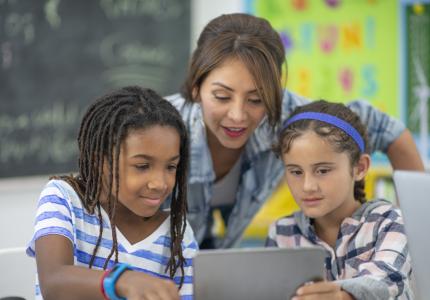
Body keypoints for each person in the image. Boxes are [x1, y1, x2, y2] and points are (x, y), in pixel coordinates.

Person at [166, 13, 424, 249]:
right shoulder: (159, 125)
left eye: (257, 100)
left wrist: (414, 237)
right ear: (196, 87)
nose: (237, 115)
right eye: (222, 96)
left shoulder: (293, 116)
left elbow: (387, 130)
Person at [26, 86, 197, 300]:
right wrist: (121, 281)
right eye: (142, 166)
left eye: (171, 167)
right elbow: (53, 282)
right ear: (100, 163)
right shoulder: (64, 198)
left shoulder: (178, 234)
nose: (160, 183)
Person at [266, 100, 413, 299]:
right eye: (296, 172)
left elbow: (388, 279)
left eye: (323, 170)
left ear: (359, 168)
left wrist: (343, 296)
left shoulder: (390, 222)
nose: (308, 186)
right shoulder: (280, 234)